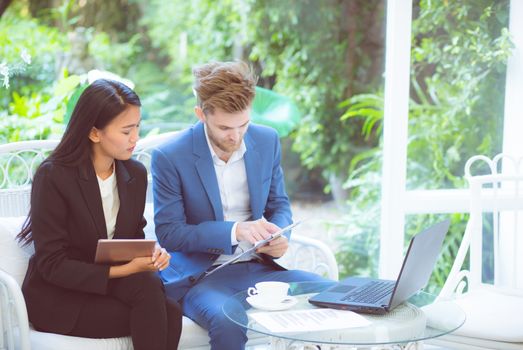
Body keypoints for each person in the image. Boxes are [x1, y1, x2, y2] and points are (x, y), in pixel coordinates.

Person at [152, 61, 326, 350]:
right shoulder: (170, 156)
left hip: (263, 272)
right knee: (228, 321)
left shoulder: (267, 140)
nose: (235, 136)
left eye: (243, 125)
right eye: (224, 127)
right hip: (203, 279)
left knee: (335, 295)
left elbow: (278, 204)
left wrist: (280, 236)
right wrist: (236, 231)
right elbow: (170, 233)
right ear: (201, 115)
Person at [17, 79, 182, 350]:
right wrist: (127, 269)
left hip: (113, 285)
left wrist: (151, 254)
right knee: (166, 312)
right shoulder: (54, 176)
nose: (136, 138)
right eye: (127, 130)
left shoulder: (135, 175)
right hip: (61, 295)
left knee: (160, 299)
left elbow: (131, 240)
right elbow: (52, 265)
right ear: (95, 133)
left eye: (137, 127)